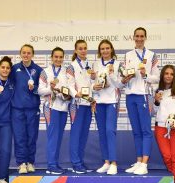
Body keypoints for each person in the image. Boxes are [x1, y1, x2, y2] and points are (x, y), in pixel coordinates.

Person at [123, 27, 160, 175]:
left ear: (145, 37)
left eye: (141, 36)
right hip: (130, 95)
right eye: (137, 36)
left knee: (145, 130)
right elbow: (124, 75)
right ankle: (138, 161)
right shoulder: (128, 55)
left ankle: (145, 164)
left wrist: (146, 76)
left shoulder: (152, 55)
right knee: (136, 131)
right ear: (133, 37)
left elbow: (156, 78)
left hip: (145, 95)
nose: (139, 39)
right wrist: (126, 78)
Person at [10, 44, 44, 174]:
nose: (26, 55)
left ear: (32, 54)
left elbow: (41, 89)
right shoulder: (14, 69)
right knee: (19, 137)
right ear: (20, 54)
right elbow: (6, 83)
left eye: (28, 53)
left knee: (31, 137)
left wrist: (34, 88)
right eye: (23, 53)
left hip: (32, 109)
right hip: (17, 109)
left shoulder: (39, 70)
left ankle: (30, 162)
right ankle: (21, 163)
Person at [38, 47, 73, 174]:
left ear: (63, 58)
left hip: (63, 107)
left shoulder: (66, 72)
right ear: (52, 57)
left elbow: (69, 90)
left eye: (60, 57)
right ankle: (51, 165)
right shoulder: (45, 72)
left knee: (58, 137)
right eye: (56, 57)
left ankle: (55, 164)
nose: (58, 59)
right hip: (50, 108)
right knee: (53, 136)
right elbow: (40, 90)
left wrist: (64, 94)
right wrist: (51, 89)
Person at [92, 40, 124, 175]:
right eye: (102, 49)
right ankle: (106, 162)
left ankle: (114, 163)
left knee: (110, 131)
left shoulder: (118, 64)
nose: (105, 51)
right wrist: (94, 87)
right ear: (100, 51)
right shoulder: (96, 64)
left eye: (107, 48)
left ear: (111, 49)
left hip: (112, 101)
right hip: (99, 101)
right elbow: (92, 83)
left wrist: (111, 74)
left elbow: (121, 84)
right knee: (102, 132)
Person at [67, 40, 97, 174]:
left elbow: (92, 84)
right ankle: (75, 163)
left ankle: (80, 161)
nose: (83, 51)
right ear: (75, 50)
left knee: (84, 134)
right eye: (80, 48)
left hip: (87, 103)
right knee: (76, 134)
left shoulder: (90, 65)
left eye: (85, 48)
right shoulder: (71, 66)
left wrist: (94, 79)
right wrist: (75, 94)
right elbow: (69, 85)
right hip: (76, 104)